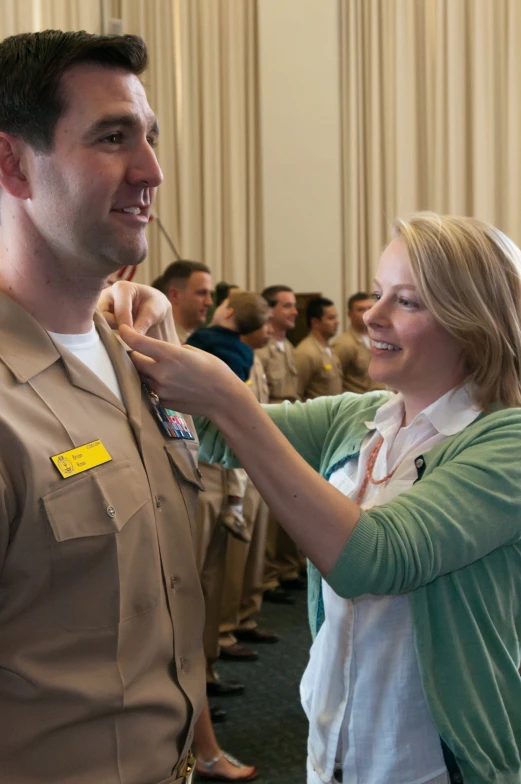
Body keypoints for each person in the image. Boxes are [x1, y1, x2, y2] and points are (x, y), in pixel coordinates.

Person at [120, 212, 521, 784]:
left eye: (406, 302)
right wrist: (157, 326)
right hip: (334, 742)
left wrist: (231, 402)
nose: (371, 315)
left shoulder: (506, 439)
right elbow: (212, 430)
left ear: (471, 321)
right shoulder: (361, 418)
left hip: (433, 761)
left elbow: (372, 558)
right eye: (378, 294)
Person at [0, 29, 204, 784]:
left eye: (149, 138)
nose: (151, 171)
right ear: (12, 163)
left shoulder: (139, 359)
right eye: (113, 138)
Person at [219, 307, 280, 649]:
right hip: (233, 469)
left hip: (256, 465)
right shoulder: (226, 355)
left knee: (253, 554)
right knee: (228, 560)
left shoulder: (251, 358)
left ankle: (244, 617)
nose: (269, 328)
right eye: (263, 321)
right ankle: (222, 633)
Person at [257, 285, 303, 604]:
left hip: (290, 433)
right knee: (267, 511)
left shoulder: (288, 347)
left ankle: (284, 568)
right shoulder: (259, 350)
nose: (294, 312)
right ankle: (268, 574)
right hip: (268, 433)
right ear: (269, 310)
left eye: (294, 306)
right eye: (286, 306)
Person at [333, 291, 388, 393]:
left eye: (370, 308)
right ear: (350, 314)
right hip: (358, 404)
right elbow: (334, 382)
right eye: (361, 310)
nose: (367, 313)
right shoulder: (343, 343)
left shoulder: (380, 338)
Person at [295, 297, 343, 401]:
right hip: (316, 415)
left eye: (336, 317)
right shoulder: (306, 352)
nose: (337, 322)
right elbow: (297, 393)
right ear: (315, 322)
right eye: (331, 318)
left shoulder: (329, 349)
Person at [153, 259, 213, 344]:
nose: (209, 302)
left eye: (209, 294)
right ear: (175, 295)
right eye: (201, 293)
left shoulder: (200, 342)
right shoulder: (159, 342)